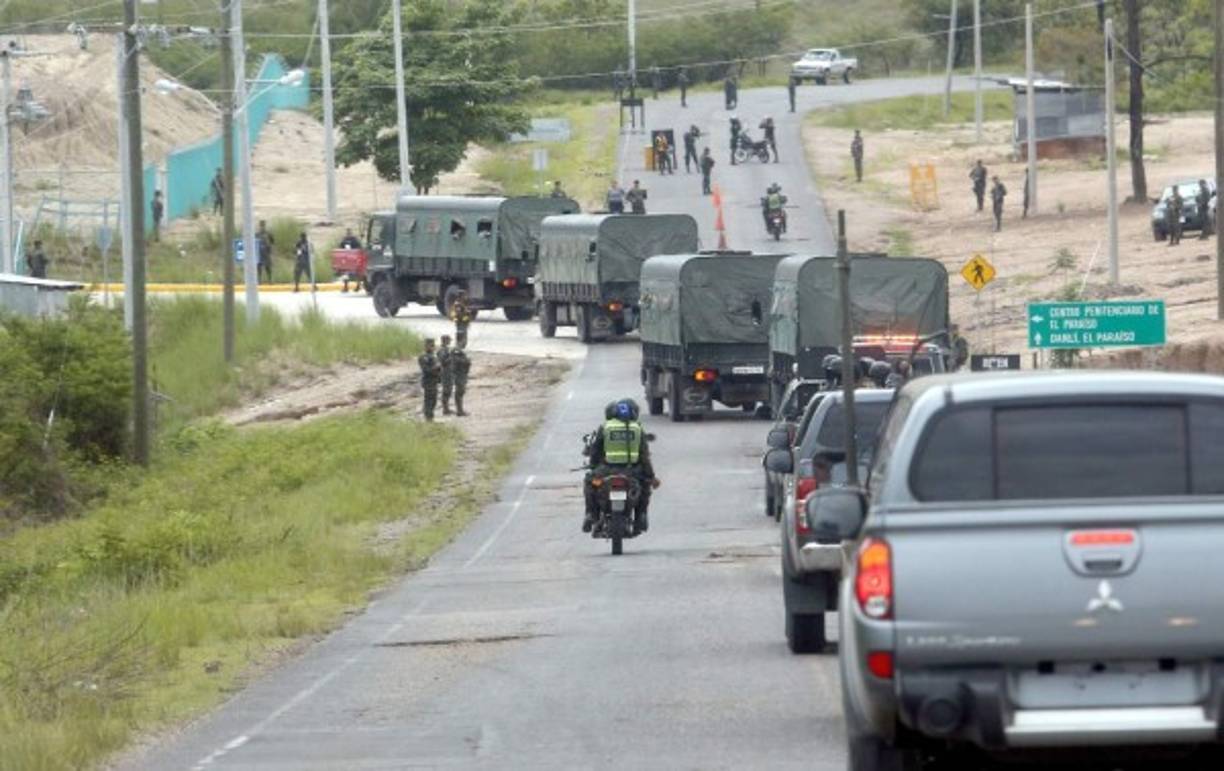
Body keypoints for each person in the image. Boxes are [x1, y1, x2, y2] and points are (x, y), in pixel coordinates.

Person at [582, 398, 658, 534]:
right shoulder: (637, 429)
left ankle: (591, 515)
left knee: (590, 483)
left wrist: (593, 466)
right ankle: (641, 515)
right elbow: (644, 457)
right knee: (645, 486)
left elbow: (595, 451)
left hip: (605, 471)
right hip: (633, 472)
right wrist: (651, 477)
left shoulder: (605, 427)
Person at [418, 339, 442, 422]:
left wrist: (439, 374)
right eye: (430, 345)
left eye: (433, 345)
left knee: (434, 400)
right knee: (429, 400)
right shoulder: (423, 357)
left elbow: (438, 369)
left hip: (434, 381)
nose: (432, 347)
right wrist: (436, 367)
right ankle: (428, 418)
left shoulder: (434, 356)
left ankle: (430, 416)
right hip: (428, 381)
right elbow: (426, 370)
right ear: (425, 346)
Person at [451, 342, 471, 417]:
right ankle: (459, 411)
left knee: (461, 392)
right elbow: (457, 361)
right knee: (459, 392)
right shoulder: (456, 351)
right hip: (459, 375)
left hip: (462, 375)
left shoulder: (459, 351)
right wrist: (466, 361)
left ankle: (460, 410)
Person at [438, 335, 455, 416]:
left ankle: (447, 408)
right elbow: (443, 362)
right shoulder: (441, 350)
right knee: (446, 391)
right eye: (449, 340)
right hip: (445, 373)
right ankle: (445, 409)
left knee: (449, 390)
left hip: (449, 373)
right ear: (445, 341)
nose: (450, 342)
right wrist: (451, 356)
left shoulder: (446, 349)